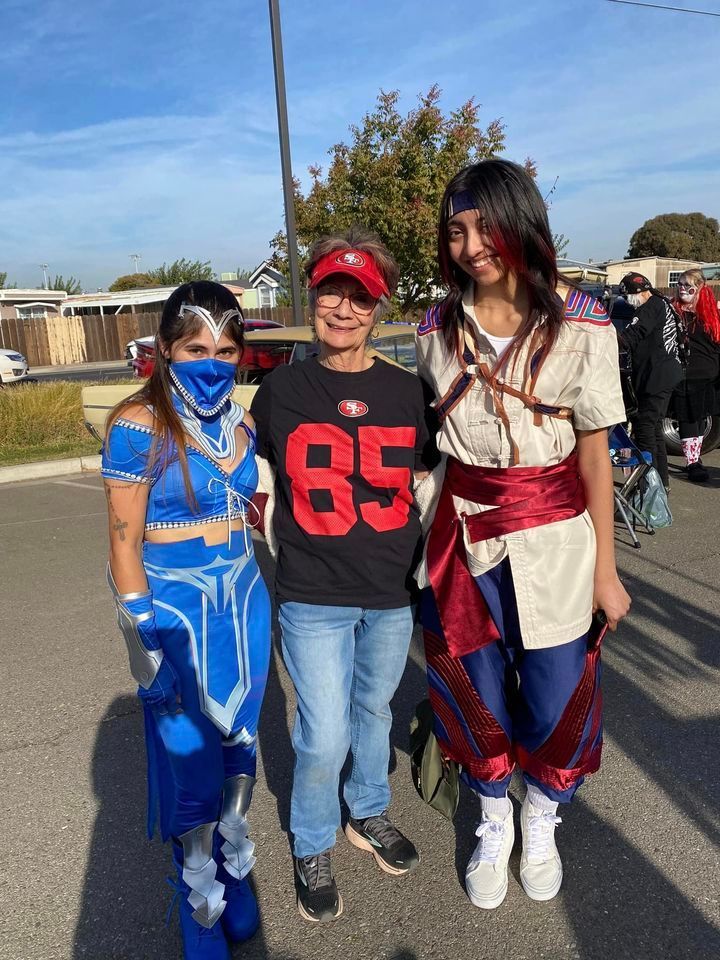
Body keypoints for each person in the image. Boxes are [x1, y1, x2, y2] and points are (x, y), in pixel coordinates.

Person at [414, 159, 631, 910]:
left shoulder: (582, 323)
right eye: (457, 231)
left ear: (521, 222)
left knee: (555, 696)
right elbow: (434, 452)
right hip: (463, 544)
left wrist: (607, 568)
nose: (472, 245)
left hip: (557, 542)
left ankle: (543, 816)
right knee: (477, 697)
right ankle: (494, 818)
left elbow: (596, 456)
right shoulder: (434, 332)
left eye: (486, 226)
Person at [251, 228, 434, 922]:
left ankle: (368, 812)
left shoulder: (410, 393)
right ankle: (312, 838)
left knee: (372, 713)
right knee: (323, 730)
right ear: (313, 294)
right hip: (313, 589)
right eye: (332, 290)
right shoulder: (281, 390)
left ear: (379, 308)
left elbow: (434, 474)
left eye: (360, 297)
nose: (343, 308)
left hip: (390, 590)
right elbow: (245, 467)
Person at [101, 281, 271, 960]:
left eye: (225, 349)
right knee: (186, 758)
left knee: (240, 746)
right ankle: (196, 892)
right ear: (166, 349)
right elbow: (121, 541)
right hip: (175, 610)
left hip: (244, 601)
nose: (212, 360)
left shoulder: (244, 421)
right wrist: (139, 628)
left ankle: (232, 863)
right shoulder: (137, 424)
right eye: (196, 347)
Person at [617, 272, 683, 491]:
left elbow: (632, 335)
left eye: (627, 296)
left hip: (658, 375)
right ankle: (661, 482)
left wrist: (608, 340)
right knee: (654, 428)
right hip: (667, 373)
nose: (628, 301)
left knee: (644, 427)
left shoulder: (649, 307)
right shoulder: (662, 303)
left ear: (636, 292)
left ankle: (649, 485)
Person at [670, 269, 720, 483]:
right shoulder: (672, 312)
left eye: (687, 284)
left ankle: (695, 458)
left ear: (700, 287)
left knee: (700, 418)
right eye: (680, 284)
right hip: (684, 376)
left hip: (709, 375)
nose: (682, 288)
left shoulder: (711, 313)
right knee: (688, 418)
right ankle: (692, 462)